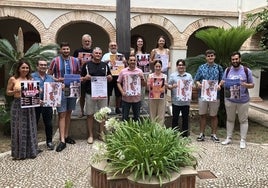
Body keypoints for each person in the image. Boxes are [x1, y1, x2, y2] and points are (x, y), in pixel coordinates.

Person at [48, 42, 80, 152]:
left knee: (69, 113)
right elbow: (49, 74)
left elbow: (78, 73)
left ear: (69, 50)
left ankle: (66, 136)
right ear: (61, 50)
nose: (66, 51)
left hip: (72, 89)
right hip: (60, 89)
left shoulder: (75, 61)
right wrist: (56, 80)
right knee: (62, 113)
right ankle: (62, 140)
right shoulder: (55, 60)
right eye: (64, 49)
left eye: (67, 49)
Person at [221, 51, 254, 149]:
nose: (234, 61)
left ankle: (243, 140)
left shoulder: (246, 70)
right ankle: (228, 138)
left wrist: (245, 85)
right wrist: (221, 84)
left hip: (243, 100)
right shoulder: (227, 70)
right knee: (230, 119)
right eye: (233, 59)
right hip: (230, 100)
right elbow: (223, 81)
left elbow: (252, 85)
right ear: (231, 60)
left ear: (240, 59)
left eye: (236, 59)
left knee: (243, 120)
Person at [6, 59, 39, 159]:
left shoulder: (31, 80)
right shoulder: (13, 79)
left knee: (30, 127)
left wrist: (38, 92)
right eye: (23, 67)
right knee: (18, 129)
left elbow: (34, 94)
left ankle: (31, 152)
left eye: (27, 68)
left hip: (29, 106)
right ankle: (19, 153)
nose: (25, 69)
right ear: (19, 69)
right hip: (17, 105)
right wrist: (15, 91)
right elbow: (8, 92)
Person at [81, 47, 112, 144]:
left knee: (103, 115)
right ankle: (90, 135)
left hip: (102, 94)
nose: (98, 55)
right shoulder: (87, 65)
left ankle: (101, 134)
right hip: (90, 93)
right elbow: (81, 78)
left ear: (101, 54)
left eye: (99, 53)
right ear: (92, 54)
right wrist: (85, 78)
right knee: (90, 114)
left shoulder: (105, 65)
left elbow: (110, 77)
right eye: (96, 53)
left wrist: (110, 77)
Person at [194, 49, 223, 142]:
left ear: (214, 57)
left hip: (215, 96)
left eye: (212, 55)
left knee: (214, 115)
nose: (210, 57)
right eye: (208, 56)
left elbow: (222, 79)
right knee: (202, 115)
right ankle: (201, 134)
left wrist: (219, 85)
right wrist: (198, 84)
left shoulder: (219, 68)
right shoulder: (201, 67)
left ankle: (213, 134)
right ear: (206, 57)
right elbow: (196, 79)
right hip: (203, 95)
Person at [32, 59, 55, 150]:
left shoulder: (50, 78)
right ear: (37, 66)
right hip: (35, 104)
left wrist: (60, 88)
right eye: (41, 65)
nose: (43, 66)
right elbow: (27, 91)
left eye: (45, 65)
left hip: (47, 104)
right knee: (34, 124)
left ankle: (49, 141)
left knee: (49, 124)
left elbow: (54, 90)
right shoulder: (32, 77)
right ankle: (33, 143)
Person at [168, 59, 193, 137]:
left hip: (186, 102)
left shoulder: (189, 76)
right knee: (175, 118)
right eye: (179, 65)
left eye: (182, 65)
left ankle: (185, 135)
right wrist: (172, 86)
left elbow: (192, 86)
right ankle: (174, 134)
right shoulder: (173, 76)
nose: (181, 66)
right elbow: (168, 86)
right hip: (176, 101)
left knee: (185, 118)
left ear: (184, 66)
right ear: (177, 66)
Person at [117, 55, 146, 121]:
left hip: (137, 99)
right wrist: (122, 92)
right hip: (126, 99)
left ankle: (136, 131)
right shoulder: (123, 71)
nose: (132, 61)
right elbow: (118, 82)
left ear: (136, 61)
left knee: (137, 118)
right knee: (124, 118)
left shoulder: (140, 71)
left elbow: (144, 84)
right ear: (128, 61)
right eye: (131, 60)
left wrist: (142, 79)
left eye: (134, 60)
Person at [102, 41, 126, 114]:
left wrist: (125, 62)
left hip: (118, 76)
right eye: (111, 45)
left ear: (117, 47)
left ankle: (117, 108)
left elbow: (125, 66)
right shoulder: (105, 55)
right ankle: (107, 108)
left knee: (118, 93)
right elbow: (101, 65)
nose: (113, 47)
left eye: (114, 45)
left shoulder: (121, 55)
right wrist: (106, 61)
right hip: (109, 75)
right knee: (108, 93)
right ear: (109, 47)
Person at [73, 34, 93, 118]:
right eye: (85, 41)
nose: (87, 42)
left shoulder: (94, 51)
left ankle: (91, 112)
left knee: (91, 95)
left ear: (91, 42)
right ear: (82, 42)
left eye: (88, 41)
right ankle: (82, 111)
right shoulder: (77, 51)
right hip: (81, 76)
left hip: (92, 76)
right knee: (82, 95)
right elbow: (73, 63)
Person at [147, 60, 167, 125]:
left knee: (161, 114)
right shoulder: (150, 76)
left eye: (159, 66)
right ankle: (153, 129)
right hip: (152, 97)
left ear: (161, 67)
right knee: (152, 114)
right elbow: (148, 88)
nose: (158, 68)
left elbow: (166, 87)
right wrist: (149, 84)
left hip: (161, 97)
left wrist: (166, 85)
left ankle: (160, 130)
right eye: (156, 66)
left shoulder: (164, 76)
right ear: (154, 67)